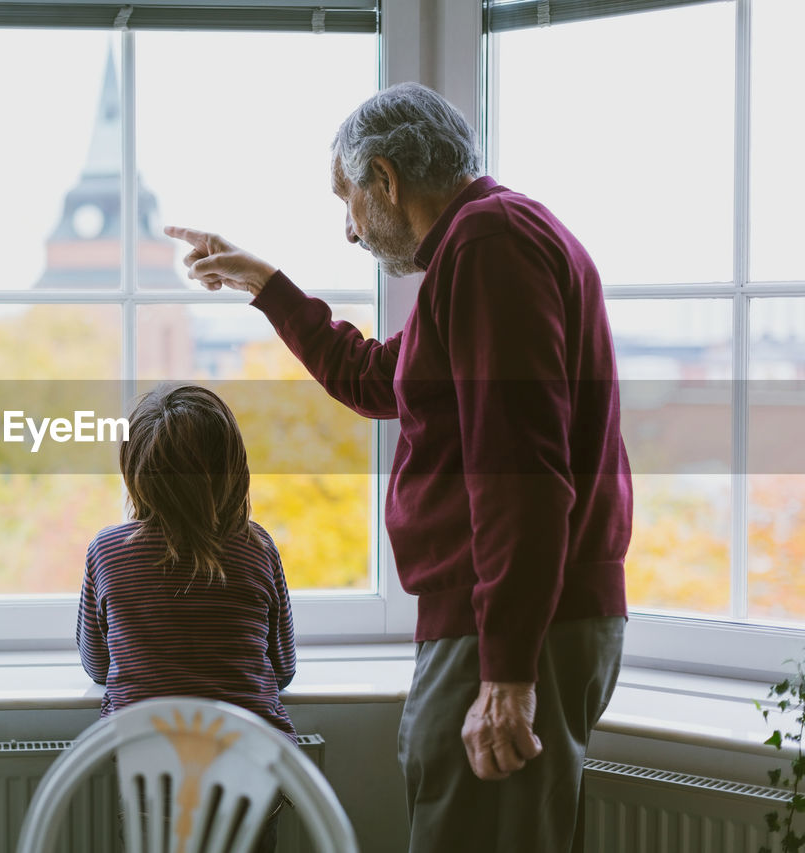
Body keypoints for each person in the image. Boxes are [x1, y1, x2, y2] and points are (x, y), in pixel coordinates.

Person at [165, 82, 631, 853]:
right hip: (519, 618)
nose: (349, 230)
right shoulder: (486, 244)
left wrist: (506, 673)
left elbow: (521, 470)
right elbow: (381, 380)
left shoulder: (488, 245)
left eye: (347, 199)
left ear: (385, 179)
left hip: (509, 626)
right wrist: (266, 286)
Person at [77, 383, 295, 852]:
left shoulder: (108, 553)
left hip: (153, 775)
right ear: (232, 468)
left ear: (134, 470)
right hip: (249, 771)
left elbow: (96, 664)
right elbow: (283, 668)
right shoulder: (257, 548)